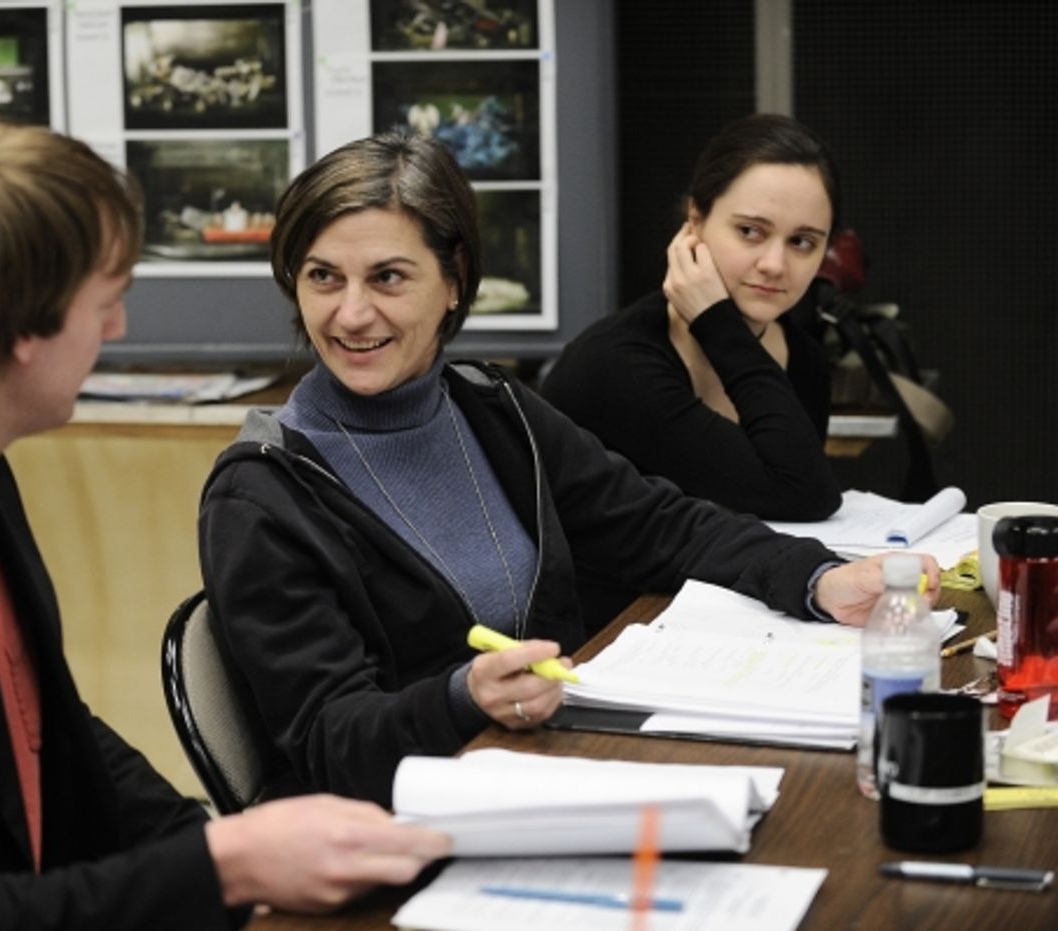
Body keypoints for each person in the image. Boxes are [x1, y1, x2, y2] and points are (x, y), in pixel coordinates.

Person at [0, 121, 448, 930]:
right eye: (105, 302)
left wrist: (221, 846)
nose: (117, 330)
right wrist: (225, 866)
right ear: (20, 328)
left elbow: (49, 725)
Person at [197, 131, 940, 807]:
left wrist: (816, 578)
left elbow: (657, 522)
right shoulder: (262, 492)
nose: (351, 314)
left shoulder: (492, 407)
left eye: (388, 278)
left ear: (454, 280)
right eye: (324, 277)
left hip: (547, 768)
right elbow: (331, 743)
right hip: (408, 824)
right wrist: (462, 697)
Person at [540, 113, 843, 521]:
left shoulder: (804, 358)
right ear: (695, 221)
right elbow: (802, 495)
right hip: (613, 586)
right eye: (750, 231)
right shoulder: (616, 364)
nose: (774, 264)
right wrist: (716, 323)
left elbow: (799, 502)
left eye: (802, 242)